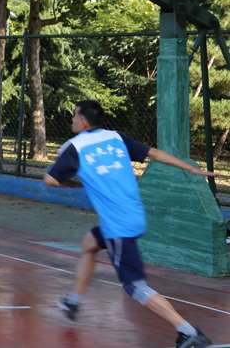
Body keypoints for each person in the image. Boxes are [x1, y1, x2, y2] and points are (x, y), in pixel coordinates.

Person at [44, 100, 215, 348]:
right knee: (90, 244)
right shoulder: (116, 138)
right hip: (133, 215)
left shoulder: (75, 148)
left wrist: (77, 183)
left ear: (82, 121)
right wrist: (190, 169)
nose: (71, 120)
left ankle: (188, 331)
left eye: (73, 116)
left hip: (118, 227)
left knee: (135, 287)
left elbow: (50, 179)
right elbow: (155, 153)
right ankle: (73, 301)